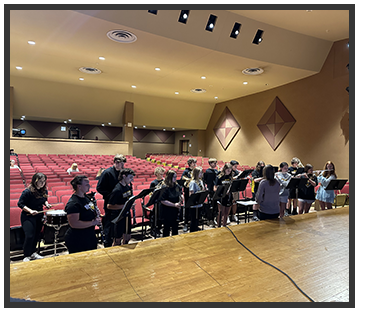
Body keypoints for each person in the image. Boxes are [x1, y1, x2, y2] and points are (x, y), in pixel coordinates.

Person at [17, 172, 52, 262]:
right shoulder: (27, 191)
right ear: (35, 181)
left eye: (44, 181)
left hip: (39, 215)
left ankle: (33, 253)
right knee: (29, 235)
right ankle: (26, 255)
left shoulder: (44, 190)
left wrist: (47, 204)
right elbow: (20, 204)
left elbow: (44, 200)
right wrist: (30, 211)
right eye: (40, 181)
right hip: (28, 216)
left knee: (36, 235)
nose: (42, 183)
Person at [64, 175, 101, 254]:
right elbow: (74, 224)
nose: (89, 185)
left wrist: (96, 213)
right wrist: (93, 222)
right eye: (86, 184)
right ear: (79, 186)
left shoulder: (86, 198)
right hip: (78, 239)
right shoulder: (73, 203)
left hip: (89, 235)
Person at [96, 154, 126, 247]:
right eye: (121, 164)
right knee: (110, 223)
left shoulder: (122, 172)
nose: (123, 166)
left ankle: (117, 241)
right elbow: (99, 188)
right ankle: (108, 243)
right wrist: (112, 195)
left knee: (119, 224)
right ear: (116, 162)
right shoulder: (107, 173)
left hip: (120, 202)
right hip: (110, 202)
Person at [107, 168, 135, 245]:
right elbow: (109, 206)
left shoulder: (128, 187)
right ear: (124, 176)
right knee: (117, 240)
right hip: (118, 217)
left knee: (127, 237)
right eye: (130, 177)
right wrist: (125, 206)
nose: (131, 180)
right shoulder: (117, 189)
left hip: (126, 215)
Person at [160, 170, 183, 237]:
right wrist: (174, 205)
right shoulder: (164, 187)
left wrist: (181, 197)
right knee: (166, 229)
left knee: (175, 229)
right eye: (174, 177)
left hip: (175, 210)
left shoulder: (176, 185)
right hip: (167, 210)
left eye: (176, 177)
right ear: (169, 177)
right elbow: (162, 200)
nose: (175, 178)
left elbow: (180, 192)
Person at [180, 158, 197, 232]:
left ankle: (193, 223)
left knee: (193, 208)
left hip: (194, 191)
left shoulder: (195, 171)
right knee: (187, 207)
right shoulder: (186, 171)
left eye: (195, 163)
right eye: (193, 163)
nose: (194, 164)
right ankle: (186, 223)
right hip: (187, 191)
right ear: (190, 163)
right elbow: (182, 180)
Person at [215, 163, 234, 227]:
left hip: (229, 196)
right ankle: (219, 226)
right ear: (224, 169)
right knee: (221, 213)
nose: (229, 171)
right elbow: (215, 188)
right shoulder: (219, 177)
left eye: (230, 170)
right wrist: (223, 191)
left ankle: (224, 225)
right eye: (228, 170)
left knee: (226, 213)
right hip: (221, 197)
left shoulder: (230, 177)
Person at [149, 167, 165, 237]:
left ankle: (159, 228)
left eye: (162, 173)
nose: (162, 174)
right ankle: (153, 229)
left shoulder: (164, 181)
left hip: (163, 201)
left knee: (161, 216)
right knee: (156, 216)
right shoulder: (153, 183)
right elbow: (151, 193)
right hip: (156, 201)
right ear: (157, 174)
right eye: (160, 173)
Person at [188, 166, 205, 232]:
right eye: (200, 173)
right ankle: (192, 230)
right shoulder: (193, 182)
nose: (202, 174)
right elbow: (191, 194)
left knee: (198, 217)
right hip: (194, 203)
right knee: (193, 218)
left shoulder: (200, 181)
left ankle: (196, 227)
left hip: (199, 203)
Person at [203, 158, 219, 227]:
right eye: (214, 163)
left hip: (215, 189)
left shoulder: (216, 171)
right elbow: (206, 181)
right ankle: (209, 219)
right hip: (210, 189)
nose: (215, 164)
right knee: (210, 205)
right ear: (210, 163)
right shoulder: (208, 171)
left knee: (215, 205)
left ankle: (213, 218)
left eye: (216, 163)